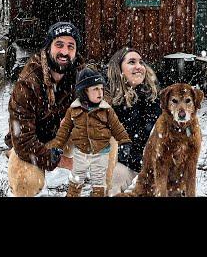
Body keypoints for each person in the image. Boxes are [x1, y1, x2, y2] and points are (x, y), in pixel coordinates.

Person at [5, 21, 85, 197]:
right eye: (59, 45)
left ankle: (85, 190)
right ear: (48, 47)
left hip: (63, 134)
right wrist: (64, 162)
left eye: (70, 46)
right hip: (34, 142)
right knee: (26, 181)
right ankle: (15, 159)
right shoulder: (28, 82)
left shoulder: (80, 71)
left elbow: (104, 95)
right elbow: (24, 142)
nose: (64, 52)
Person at [51, 66, 131, 197]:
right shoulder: (74, 110)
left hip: (101, 152)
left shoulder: (107, 110)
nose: (100, 92)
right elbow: (64, 130)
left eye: (101, 88)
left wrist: (125, 142)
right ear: (84, 92)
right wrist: (57, 147)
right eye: (95, 89)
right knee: (76, 179)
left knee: (99, 182)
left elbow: (117, 127)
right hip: (80, 152)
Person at [105, 47, 161, 195]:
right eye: (131, 62)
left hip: (151, 163)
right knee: (112, 184)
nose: (139, 66)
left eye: (141, 62)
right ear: (119, 69)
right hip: (123, 163)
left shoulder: (153, 97)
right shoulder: (107, 98)